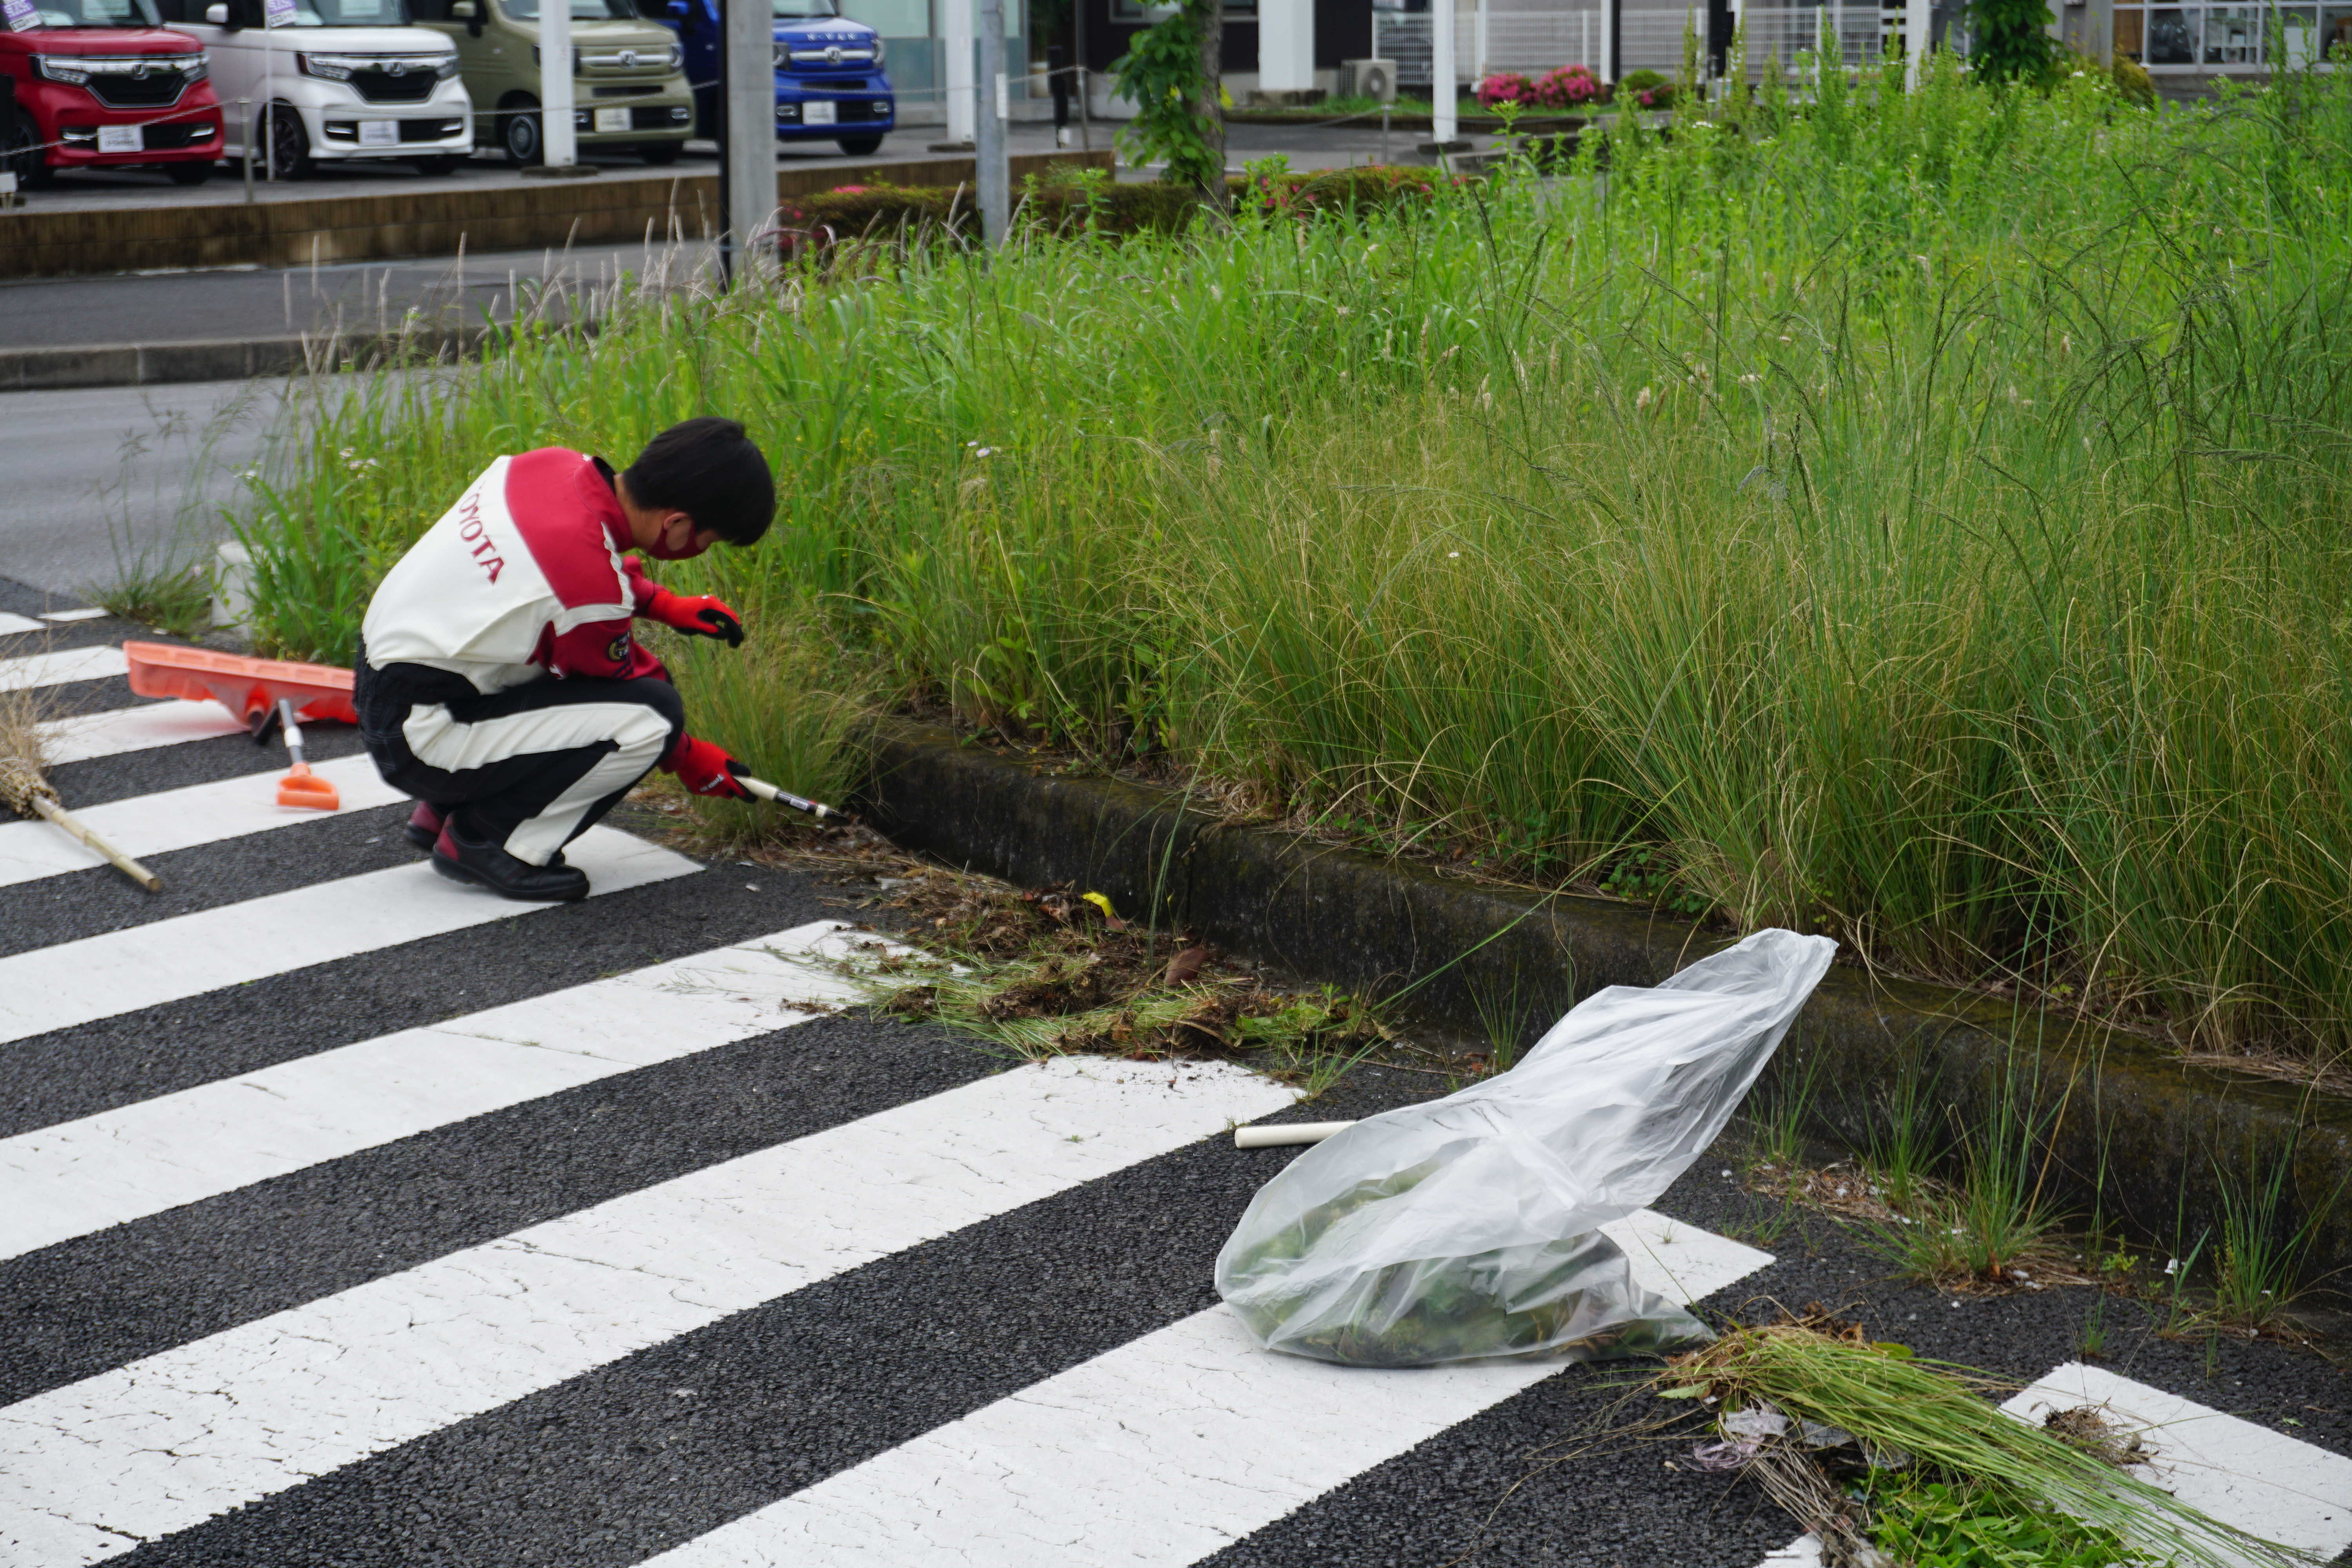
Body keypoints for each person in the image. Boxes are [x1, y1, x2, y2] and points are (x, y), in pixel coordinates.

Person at [353, 416, 771, 902]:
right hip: (421, 739)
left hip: (394, 686)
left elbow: (566, 571)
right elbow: (618, 683)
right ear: (677, 524)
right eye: (709, 540)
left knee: (533, 653)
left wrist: (661, 604)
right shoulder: (589, 586)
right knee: (653, 715)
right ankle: (489, 839)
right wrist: (688, 757)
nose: (701, 550)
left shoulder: (551, 466)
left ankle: (447, 808)